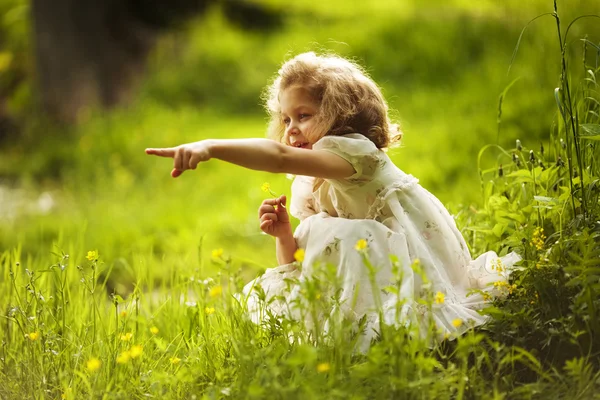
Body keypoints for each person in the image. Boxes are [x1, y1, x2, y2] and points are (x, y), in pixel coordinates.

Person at [146, 52, 520, 347]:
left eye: (304, 116)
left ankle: (402, 328)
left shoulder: (354, 153)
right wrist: (283, 237)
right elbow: (301, 264)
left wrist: (210, 147)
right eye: (286, 119)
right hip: (375, 263)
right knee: (318, 227)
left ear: (340, 114)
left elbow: (279, 158)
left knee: (345, 234)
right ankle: (357, 332)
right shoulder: (311, 180)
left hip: (410, 258)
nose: (291, 131)